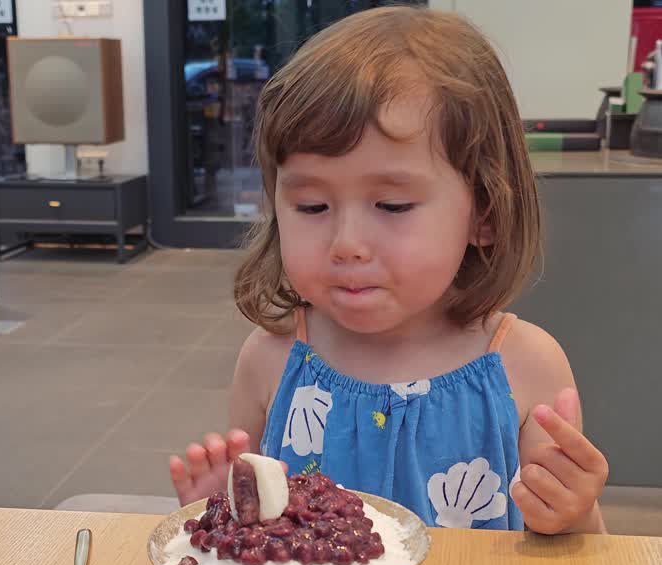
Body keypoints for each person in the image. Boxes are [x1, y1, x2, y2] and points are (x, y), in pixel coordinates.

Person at [169, 6, 608, 534]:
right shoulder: (271, 359)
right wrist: (217, 512)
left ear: (484, 213)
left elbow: (579, 558)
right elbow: (256, 527)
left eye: (393, 206)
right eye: (312, 207)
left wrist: (571, 512)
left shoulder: (525, 364)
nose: (347, 244)